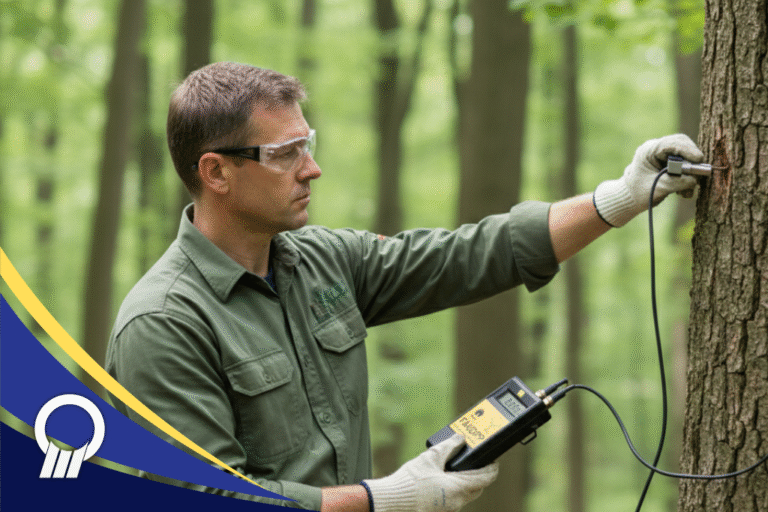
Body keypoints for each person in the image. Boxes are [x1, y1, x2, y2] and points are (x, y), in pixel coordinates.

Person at [105, 62, 703, 512]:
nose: (311, 168)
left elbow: (467, 255)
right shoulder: (163, 323)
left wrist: (621, 197)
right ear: (216, 173)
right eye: (286, 153)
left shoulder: (323, 262)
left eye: (306, 146)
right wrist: (386, 496)